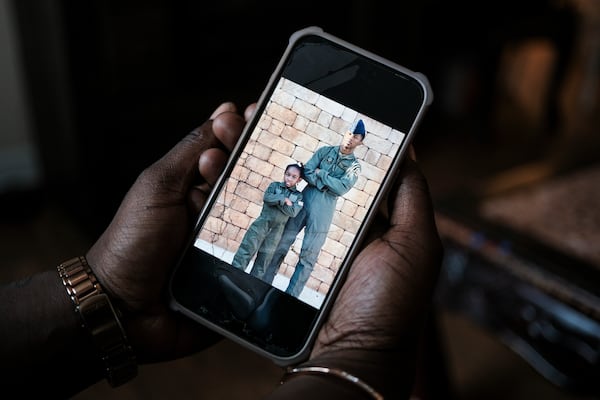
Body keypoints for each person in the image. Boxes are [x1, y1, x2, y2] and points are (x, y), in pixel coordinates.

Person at [0, 102, 443, 399]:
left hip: (321, 208)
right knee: (275, 247)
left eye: (354, 141)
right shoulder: (328, 149)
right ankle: (258, 292)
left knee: (308, 259)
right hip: (301, 202)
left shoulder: (352, 165)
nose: (348, 143)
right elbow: (309, 167)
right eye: (348, 137)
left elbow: (340, 185)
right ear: (345, 137)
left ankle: (286, 309)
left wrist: (321, 178)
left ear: (360, 146)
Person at [262, 119, 366, 297]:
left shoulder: (354, 167)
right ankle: (262, 284)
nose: (350, 138)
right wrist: (326, 184)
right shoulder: (324, 151)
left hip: (323, 212)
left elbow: (342, 188)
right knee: (282, 242)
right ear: (345, 133)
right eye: (349, 133)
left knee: (308, 255)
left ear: (360, 141)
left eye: (355, 136)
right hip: (303, 201)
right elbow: (307, 171)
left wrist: (322, 174)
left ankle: (290, 297)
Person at [231, 163, 304, 277]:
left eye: (294, 177)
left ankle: (250, 284)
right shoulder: (274, 186)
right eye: (287, 174)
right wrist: (283, 199)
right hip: (261, 224)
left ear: (299, 180)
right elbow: (267, 198)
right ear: (284, 174)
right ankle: (233, 275)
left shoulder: (298, 196)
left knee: (264, 260)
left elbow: (293, 212)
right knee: (246, 250)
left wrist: (275, 201)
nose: (289, 178)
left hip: (277, 231)